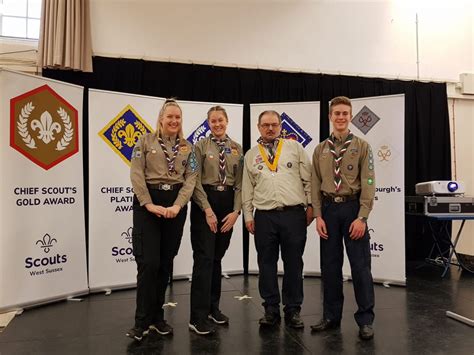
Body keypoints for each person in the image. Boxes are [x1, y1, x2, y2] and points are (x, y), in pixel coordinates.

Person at [126, 99, 198, 341]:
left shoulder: (189, 147)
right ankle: (141, 322)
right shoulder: (143, 142)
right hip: (149, 204)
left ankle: (157, 318)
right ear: (161, 118)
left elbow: (191, 178)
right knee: (149, 264)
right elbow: (136, 174)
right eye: (170, 117)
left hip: (175, 205)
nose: (174, 121)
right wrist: (148, 203)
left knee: (165, 263)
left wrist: (178, 205)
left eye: (178, 117)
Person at [310, 96, 376, 340]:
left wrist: (362, 217)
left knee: (360, 267)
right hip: (329, 210)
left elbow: (369, 182)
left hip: (352, 210)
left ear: (350, 116)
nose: (340, 117)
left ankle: (365, 320)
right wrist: (318, 215)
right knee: (330, 268)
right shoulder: (320, 149)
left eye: (344, 113)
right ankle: (331, 317)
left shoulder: (362, 146)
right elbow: (315, 184)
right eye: (336, 113)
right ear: (330, 116)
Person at [242, 110, 313, 329]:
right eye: (265, 125)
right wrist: (247, 215)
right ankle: (271, 309)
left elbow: (308, 179)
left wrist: (311, 205)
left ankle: (293, 310)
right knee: (266, 265)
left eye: (274, 124)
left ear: (281, 126)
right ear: (258, 127)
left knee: (294, 264)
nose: (270, 128)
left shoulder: (295, 148)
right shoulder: (250, 155)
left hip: (293, 214)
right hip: (264, 216)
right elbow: (247, 188)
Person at [189, 106, 244, 335]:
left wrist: (236, 211)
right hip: (205, 203)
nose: (217, 124)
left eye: (220, 120)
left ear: (227, 121)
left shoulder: (237, 148)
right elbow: (194, 181)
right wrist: (208, 210)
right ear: (208, 123)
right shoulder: (199, 147)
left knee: (217, 259)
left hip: (227, 204)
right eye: (213, 121)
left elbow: (241, 184)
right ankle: (197, 317)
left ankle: (213, 308)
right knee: (204, 259)